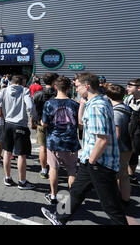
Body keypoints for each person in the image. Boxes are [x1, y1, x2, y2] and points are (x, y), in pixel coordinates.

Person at [41, 72, 128, 225]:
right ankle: (60, 218)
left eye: (78, 86)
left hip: (99, 161)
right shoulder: (99, 101)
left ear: (86, 86)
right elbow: (81, 122)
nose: (76, 89)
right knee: (76, 192)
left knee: (110, 205)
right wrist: (82, 103)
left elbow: (102, 138)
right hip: (92, 159)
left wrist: (92, 160)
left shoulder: (96, 106)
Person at [0, 75, 37, 190]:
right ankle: (22, 182)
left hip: (8, 124)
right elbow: (30, 106)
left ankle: (8, 178)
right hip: (20, 125)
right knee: (21, 154)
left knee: (7, 152)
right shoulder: (24, 90)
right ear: (21, 82)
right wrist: (34, 117)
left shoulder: (5, 90)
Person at [41, 76, 81, 205]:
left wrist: (41, 122)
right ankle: (73, 199)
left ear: (55, 87)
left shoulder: (49, 103)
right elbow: (80, 124)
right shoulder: (75, 104)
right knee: (72, 171)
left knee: (53, 168)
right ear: (69, 88)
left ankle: (53, 196)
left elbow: (45, 123)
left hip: (54, 141)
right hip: (71, 142)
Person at [106, 84, 132, 208]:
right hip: (128, 145)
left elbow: (116, 134)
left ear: (109, 96)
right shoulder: (127, 108)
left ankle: (121, 199)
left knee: (119, 174)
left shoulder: (116, 112)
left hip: (119, 148)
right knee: (123, 174)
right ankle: (124, 198)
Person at [33, 73, 59, 180]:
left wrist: (33, 121)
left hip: (41, 123)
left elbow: (33, 110)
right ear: (54, 82)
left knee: (43, 147)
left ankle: (44, 170)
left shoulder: (38, 94)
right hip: (56, 124)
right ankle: (54, 167)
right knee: (55, 148)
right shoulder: (59, 94)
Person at [124, 78, 140, 185]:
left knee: (135, 152)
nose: (127, 88)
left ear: (139, 88)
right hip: (129, 129)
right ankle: (130, 175)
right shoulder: (129, 99)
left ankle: (131, 174)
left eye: (130, 86)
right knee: (129, 151)